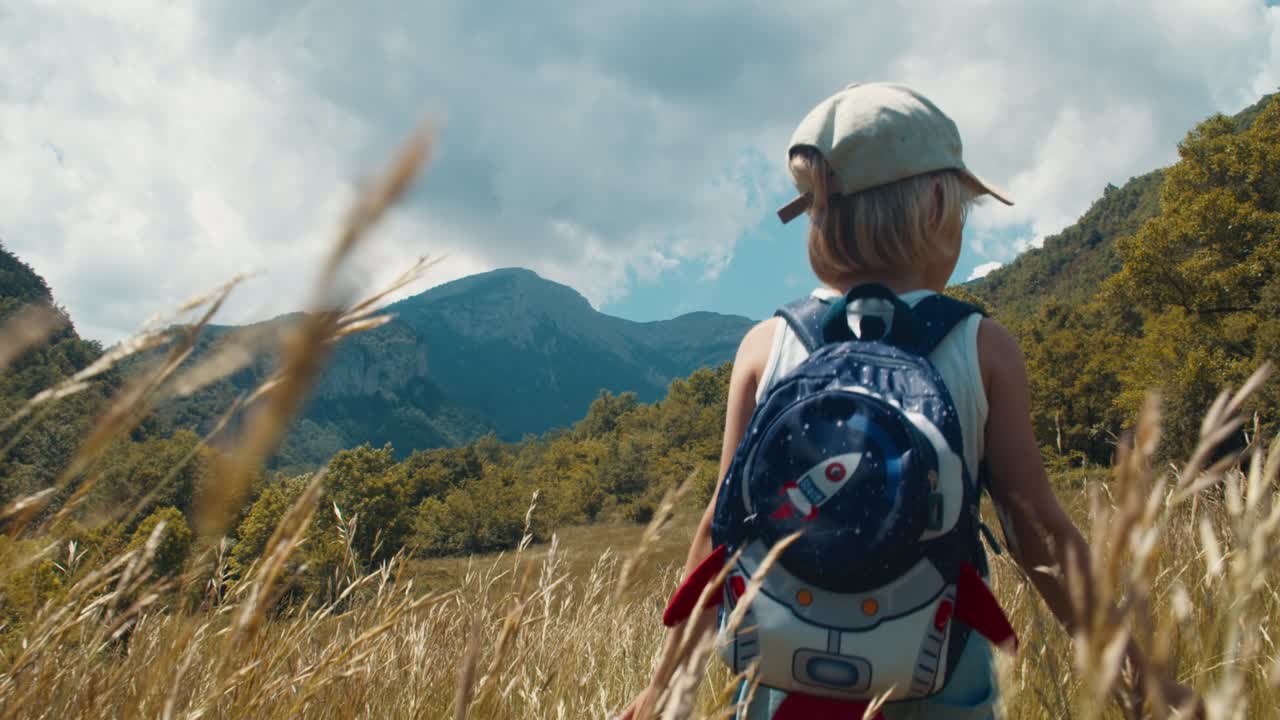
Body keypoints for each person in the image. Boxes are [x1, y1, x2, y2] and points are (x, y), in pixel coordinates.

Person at [620, 83, 1200, 719]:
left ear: (815, 215)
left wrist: (665, 689)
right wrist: (1141, 684)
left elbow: (722, 528)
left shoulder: (765, 347)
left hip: (780, 675)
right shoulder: (981, 347)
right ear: (933, 206)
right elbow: (1040, 536)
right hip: (936, 671)